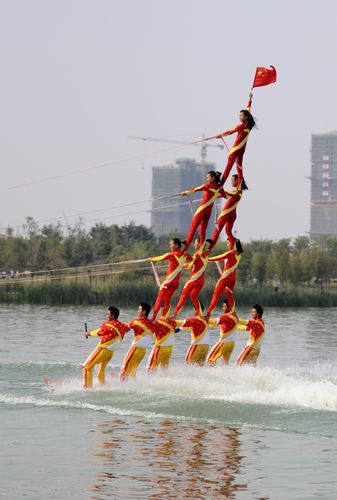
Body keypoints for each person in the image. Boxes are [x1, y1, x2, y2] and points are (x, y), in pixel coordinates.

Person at [83, 306, 130, 388]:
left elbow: (99, 332)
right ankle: (103, 387)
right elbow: (128, 326)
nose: (106, 316)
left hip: (102, 350)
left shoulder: (108, 324)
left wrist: (88, 333)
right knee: (100, 370)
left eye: (108, 314)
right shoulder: (122, 326)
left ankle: (87, 388)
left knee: (87, 367)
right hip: (110, 353)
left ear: (113, 315)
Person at [216, 92, 255, 185]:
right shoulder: (249, 124)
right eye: (239, 115)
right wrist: (250, 99)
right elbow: (248, 110)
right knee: (239, 167)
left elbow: (230, 132)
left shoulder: (241, 126)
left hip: (235, 149)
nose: (239, 117)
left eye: (241, 116)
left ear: (246, 117)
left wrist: (220, 135)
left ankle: (220, 185)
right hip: (242, 149)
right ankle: (239, 186)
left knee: (228, 167)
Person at [181, 171, 226, 249]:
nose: (206, 178)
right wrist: (215, 196)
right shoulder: (219, 188)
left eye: (208, 177)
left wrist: (185, 192)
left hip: (201, 211)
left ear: (213, 178)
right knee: (202, 232)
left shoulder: (207, 186)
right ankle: (201, 250)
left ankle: (185, 249)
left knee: (192, 229)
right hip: (208, 213)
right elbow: (224, 196)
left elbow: (196, 189)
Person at [149, 238, 191, 321]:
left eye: (171, 244)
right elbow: (192, 260)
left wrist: (151, 259)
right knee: (167, 299)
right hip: (175, 283)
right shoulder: (184, 254)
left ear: (177, 245)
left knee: (160, 298)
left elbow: (161, 257)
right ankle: (165, 317)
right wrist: (185, 264)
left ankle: (153, 318)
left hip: (168, 282)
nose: (170, 246)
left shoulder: (172, 254)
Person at [173, 238, 210, 317]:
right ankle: (199, 314)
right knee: (193, 296)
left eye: (195, 242)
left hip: (194, 279)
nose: (194, 244)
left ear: (200, 244)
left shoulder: (197, 254)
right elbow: (194, 264)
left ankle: (175, 315)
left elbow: (190, 265)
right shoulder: (206, 254)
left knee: (183, 296)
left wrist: (182, 264)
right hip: (201, 281)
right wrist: (185, 263)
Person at [209, 174, 248, 249]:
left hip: (226, 213)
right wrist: (214, 196)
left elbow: (229, 194)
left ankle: (209, 249)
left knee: (217, 230)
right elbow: (226, 195)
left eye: (232, 180)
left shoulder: (237, 191)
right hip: (232, 214)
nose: (231, 182)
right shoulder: (236, 190)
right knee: (228, 231)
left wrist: (221, 189)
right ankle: (234, 248)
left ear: (237, 181)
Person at [207, 238, 243, 316]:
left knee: (215, 296)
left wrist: (206, 259)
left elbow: (219, 257)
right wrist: (214, 262)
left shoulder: (230, 253)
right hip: (233, 278)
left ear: (232, 244)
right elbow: (223, 259)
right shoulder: (239, 254)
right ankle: (233, 312)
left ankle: (208, 314)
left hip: (225, 278)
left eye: (228, 243)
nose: (227, 245)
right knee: (229, 295)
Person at [119, 302, 156, 380]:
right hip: (143, 352)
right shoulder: (152, 323)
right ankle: (133, 385)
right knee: (133, 370)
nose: (138, 311)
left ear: (144, 311)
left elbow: (124, 328)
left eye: (139, 309)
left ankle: (121, 384)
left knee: (124, 369)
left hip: (135, 349)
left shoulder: (136, 322)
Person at [207, 299, 239, 366]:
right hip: (231, 344)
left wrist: (203, 320)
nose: (222, 308)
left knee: (210, 360)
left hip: (224, 343)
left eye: (224, 306)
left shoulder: (226, 316)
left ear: (229, 307)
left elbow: (214, 321)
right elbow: (218, 325)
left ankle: (212, 376)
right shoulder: (235, 316)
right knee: (225, 364)